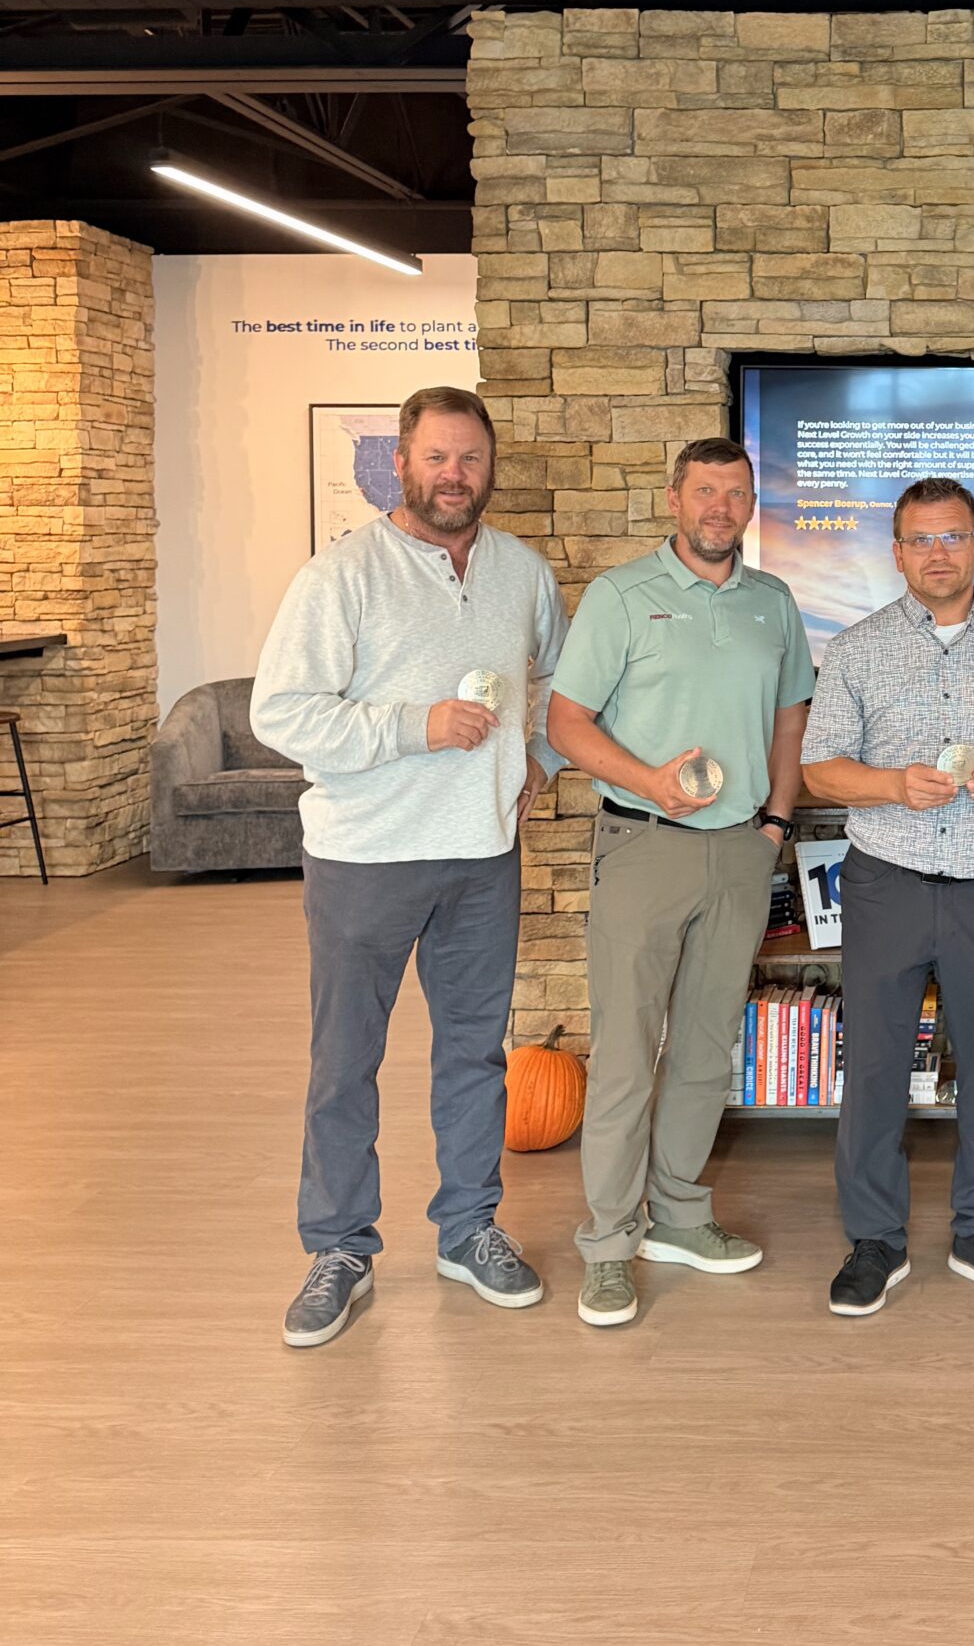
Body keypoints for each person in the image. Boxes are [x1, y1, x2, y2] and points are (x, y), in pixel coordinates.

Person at [255, 385, 566, 1348]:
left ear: (489, 468)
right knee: (346, 1063)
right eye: (437, 457)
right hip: (365, 856)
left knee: (474, 1057)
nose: (454, 475)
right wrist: (413, 727)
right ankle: (340, 1247)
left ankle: (468, 1228)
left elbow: (553, 684)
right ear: (402, 462)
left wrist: (534, 767)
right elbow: (282, 711)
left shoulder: (522, 571)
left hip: (482, 855)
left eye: (470, 459)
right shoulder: (342, 575)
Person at [547, 437, 814, 1328]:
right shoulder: (622, 597)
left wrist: (776, 822)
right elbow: (567, 723)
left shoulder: (773, 603)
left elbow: (789, 722)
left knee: (705, 1051)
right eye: (705, 491)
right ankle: (610, 1245)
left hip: (740, 851)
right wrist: (645, 778)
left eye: (736, 494)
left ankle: (679, 1217)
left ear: (749, 506)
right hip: (644, 843)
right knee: (625, 1055)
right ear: (674, 499)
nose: (720, 508)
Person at [801, 478, 974, 1316]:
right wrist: (890, 784)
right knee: (877, 1068)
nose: (938, 554)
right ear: (897, 553)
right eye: (920, 540)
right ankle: (875, 1241)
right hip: (886, 878)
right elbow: (820, 769)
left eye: (953, 537)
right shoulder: (855, 648)